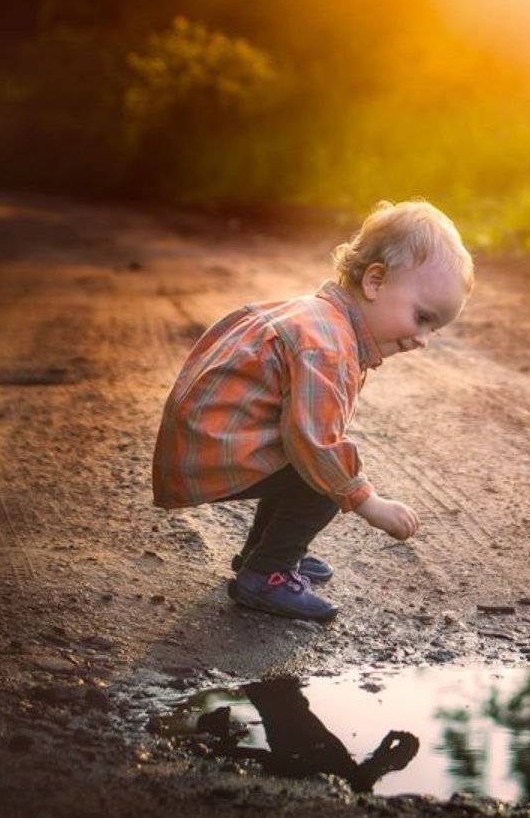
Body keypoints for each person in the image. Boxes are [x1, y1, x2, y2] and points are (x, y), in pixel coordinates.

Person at [152, 200, 473, 621]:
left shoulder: (321, 318)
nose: (423, 339)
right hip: (207, 453)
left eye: (435, 328)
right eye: (423, 317)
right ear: (375, 280)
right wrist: (369, 503)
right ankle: (267, 573)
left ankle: (260, 554)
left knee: (311, 463)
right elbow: (315, 444)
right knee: (327, 472)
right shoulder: (327, 345)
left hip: (203, 444)